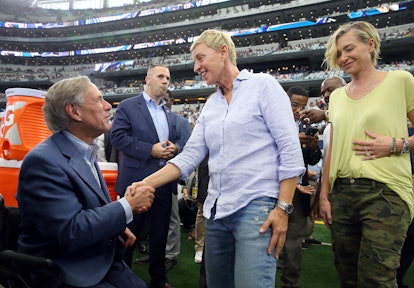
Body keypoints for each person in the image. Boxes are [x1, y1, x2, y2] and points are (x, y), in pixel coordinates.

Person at [130, 29, 305, 288]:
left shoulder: (263, 86)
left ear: (223, 51)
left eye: (201, 58)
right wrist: (146, 183)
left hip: (256, 207)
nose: (196, 66)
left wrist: (283, 208)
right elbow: (189, 155)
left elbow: (290, 149)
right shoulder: (211, 104)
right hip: (216, 212)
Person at [16, 75, 155, 288]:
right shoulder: (42, 162)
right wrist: (127, 206)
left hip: (94, 259)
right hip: (64, 272)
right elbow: (70, 230)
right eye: (99, 100)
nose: (108, 106)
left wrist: (115, 226)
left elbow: (86, 207)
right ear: (74, 111)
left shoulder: (81, 151)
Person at [316, 21, 414, 287]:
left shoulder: (400, 81)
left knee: (377, 280)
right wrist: (324, 194)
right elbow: (333, 148)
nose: (343, 57)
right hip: (342, 194)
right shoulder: (336, 97)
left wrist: (395, 144)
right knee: (348, 278)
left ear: (370, 44)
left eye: (349, 49)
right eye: (338, 54)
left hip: (386, 192)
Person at [110, 64, 178, 288]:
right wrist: (150, 149)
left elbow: (173, 140)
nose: (165, 81)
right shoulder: (129, 106)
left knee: (159, 235)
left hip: (163, 183)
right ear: (147, 79)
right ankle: (122, 276)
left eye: (167, 77)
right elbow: (118, 138)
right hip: (135, 184)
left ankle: (159, 279)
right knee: (129, 233)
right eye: (160, 76)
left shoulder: (168, 111)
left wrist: (173, 149)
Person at [280, 86, 322, 288]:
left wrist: (313, 146)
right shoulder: (271, 122)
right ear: (284, 100)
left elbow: (313, 160)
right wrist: (292, 141)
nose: (298, 109)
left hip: (299, 194)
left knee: (293, 245)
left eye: (302, 106)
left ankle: (291, 284)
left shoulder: (307, 127)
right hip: (271, 189)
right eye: (294, 104)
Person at [303, 76, 347, 246]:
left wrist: (325, 114)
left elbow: (349, 116)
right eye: (323, 92)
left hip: (356, 188)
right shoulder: (329, 128)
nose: (326, 95)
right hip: (336, 192)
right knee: (343, 249)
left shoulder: (336, 118)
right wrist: (320, 198)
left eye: (331, 89)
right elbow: (327, 165)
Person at [164, 90, 192, 272]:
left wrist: (176, 149)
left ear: (172, 101)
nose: (162, 102)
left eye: (165, 99)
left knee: (171, 218)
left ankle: (171, 255)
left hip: (172, 175)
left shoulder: (181, 122)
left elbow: (191, 149)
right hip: (153, 174)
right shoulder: (152, 120)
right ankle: (157, 253)